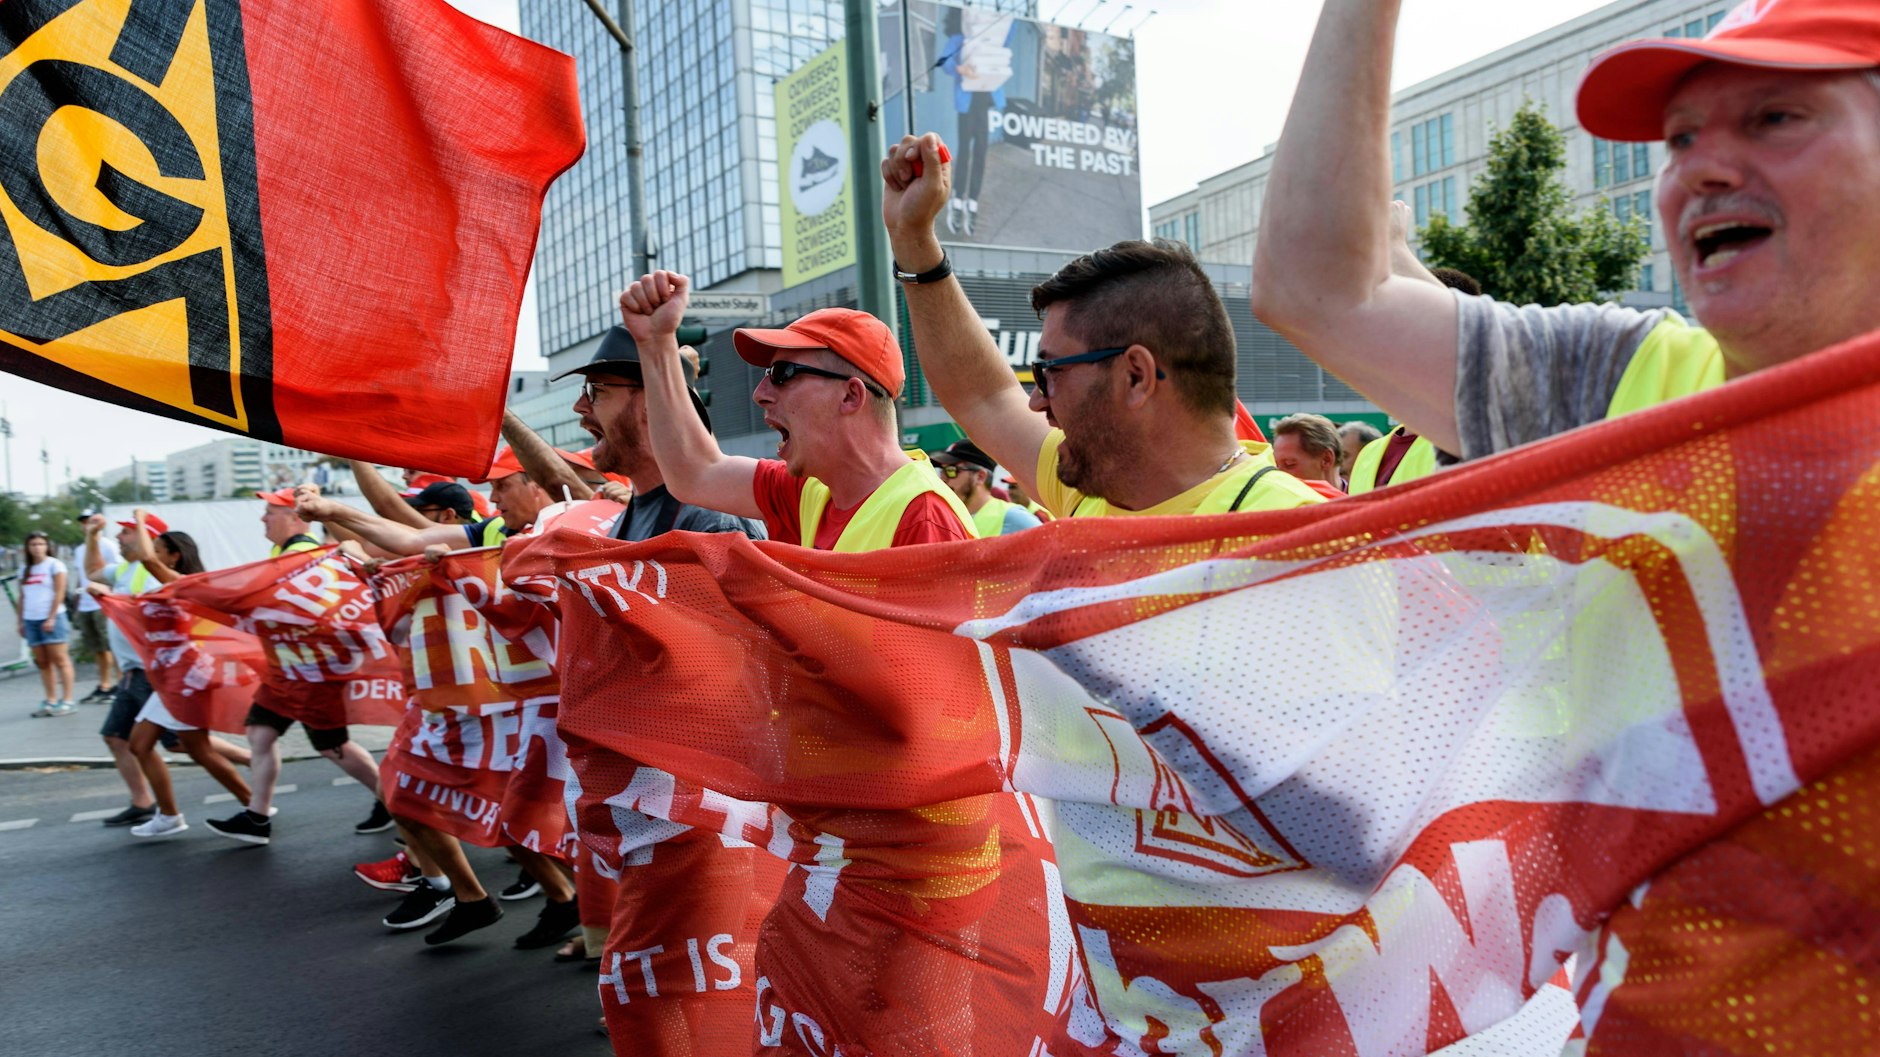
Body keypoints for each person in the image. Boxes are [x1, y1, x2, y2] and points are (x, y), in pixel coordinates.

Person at [1251, 0, 1880, 1046]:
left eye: (1773, 118)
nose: (1701, 170)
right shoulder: (1626, 377)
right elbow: (1319, 289)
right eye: (1680, 138)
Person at [624, 271, 1066, 1051]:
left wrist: (771, 630)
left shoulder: (927, 518)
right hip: (847, 840)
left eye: (784, 375)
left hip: (919, 864)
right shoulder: (813, 493)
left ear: (852, 396)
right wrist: (656, 347)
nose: (763, 397)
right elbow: (693, 471)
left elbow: (938, 724)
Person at [880, 135, 1325, 521]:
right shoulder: (1098, 489)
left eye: (1050, 374)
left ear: (1135, 376)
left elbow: (989, 400)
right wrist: (912, 238)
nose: (1036, 401)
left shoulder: (1301, 541)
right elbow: (985, 397)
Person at [204, 490, 389, 845]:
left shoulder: (301, 553)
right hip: (289, 668)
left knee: (332, 746)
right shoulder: (284, 552)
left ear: (295, 517)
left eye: (269, 512)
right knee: (260, 733)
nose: (262, 519)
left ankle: (392, 799)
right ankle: (257, 818)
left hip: (312, 669)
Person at [109, 513, 258, 841]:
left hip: (187, 678)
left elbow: (146, 559)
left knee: (195, 748)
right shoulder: (171, 587)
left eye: (160, 551)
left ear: (173, 556)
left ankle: (254, 809)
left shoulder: (182, 584)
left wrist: (139, 518)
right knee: (143, 744)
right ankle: (173, 815)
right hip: (173, 678)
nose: (153, 557)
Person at [930, 438, 1042, 535]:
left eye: (951, 470)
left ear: (980, 477)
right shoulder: (947, 518)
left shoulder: (1013, 517)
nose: (943, 479)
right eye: (942, 471)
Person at [20, 531, 76, 716]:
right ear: (27, 548)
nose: (37, 548)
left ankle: (67, 700)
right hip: (31, 619)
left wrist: (51, 617)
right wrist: (20, 620)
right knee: (42, 662)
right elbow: (22, 596)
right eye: (33, 544)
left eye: (40, 544)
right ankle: (51, 700)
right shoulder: (25, 569)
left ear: (47, 546)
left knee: (60, 660)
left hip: (53, 618)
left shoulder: (54, 565)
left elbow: (59, 593)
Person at [70, 510, 119, 703]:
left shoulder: (108, 546)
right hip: (86, 603)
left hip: (104, 602)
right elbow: (81, 576)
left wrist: (113, 597)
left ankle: (120, 683)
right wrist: (75, 602)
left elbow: (117, 573)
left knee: (112, 645)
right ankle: (104, 684)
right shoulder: (80, 549)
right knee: (97, 647)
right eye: (83, 522)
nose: (86, 525)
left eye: (90, 521)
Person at [1268, 412, 1347, 496]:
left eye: (1289, 464)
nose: (1279, 474)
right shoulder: (1275, 504)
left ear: (1326, 459)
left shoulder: (1360, 500)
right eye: (1276, 466)